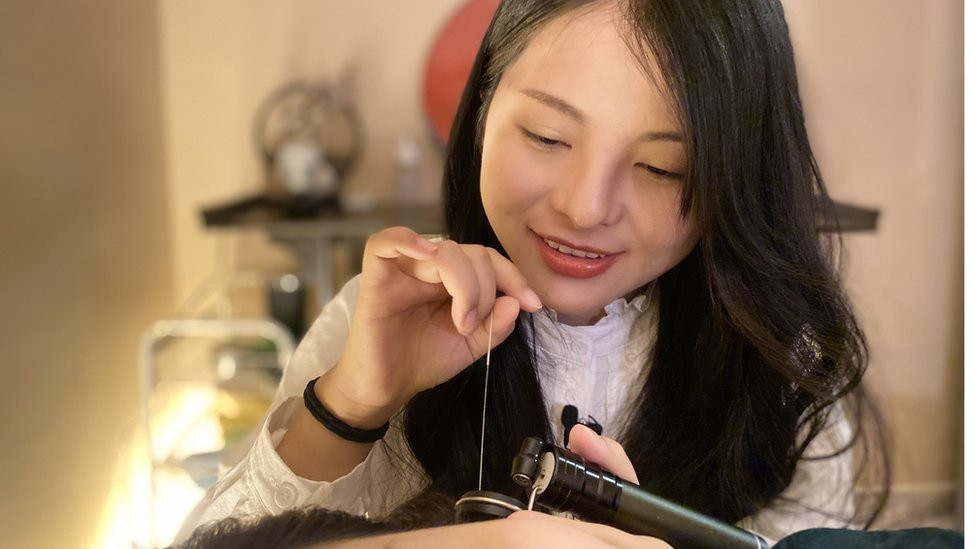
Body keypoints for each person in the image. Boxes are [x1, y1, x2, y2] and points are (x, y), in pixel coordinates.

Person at [176, 0, 888, 545]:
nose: (585, 207)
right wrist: (351, 406)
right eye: (548, 137)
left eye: (662, 167)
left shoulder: (778, 365)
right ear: (482, 109)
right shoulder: (387, 311)